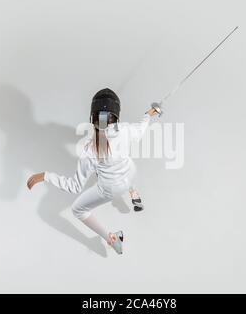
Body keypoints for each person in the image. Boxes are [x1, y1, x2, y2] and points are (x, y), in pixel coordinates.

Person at [27, 88, 161, 254]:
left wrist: (46, 176)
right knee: (119, 166)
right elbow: (141, 128)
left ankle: (112, 239)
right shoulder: (126, 130)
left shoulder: (91, 150)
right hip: (130, 172)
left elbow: (74, 186)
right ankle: (134, 192)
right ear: (116, 115)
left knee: (78, 209)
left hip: (111, 188)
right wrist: (149, 113)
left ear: (93, 117)